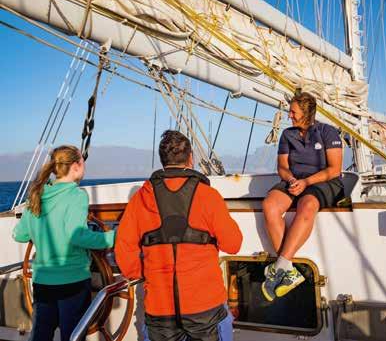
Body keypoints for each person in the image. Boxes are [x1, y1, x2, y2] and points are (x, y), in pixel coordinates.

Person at [115, 130, 243, 341]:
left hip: (159, 308)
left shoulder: (140, 199)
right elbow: (233, 244)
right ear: (190, 158)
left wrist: (148, 274)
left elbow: (124, 254)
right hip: (205, 307)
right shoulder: (208, 196)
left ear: (163, 160)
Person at [13, 145, 115, 341]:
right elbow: (77, 236)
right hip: (72, 282)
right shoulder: (76, 196)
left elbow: (20, 235)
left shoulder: (37, 195)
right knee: (73, 336)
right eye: (83, 162)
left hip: (42, 281)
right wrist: (112, 238)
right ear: (76, 166)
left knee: (41, 335)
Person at [262, 92, 344, 301]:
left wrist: (306, 182)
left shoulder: (328, 132)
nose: (289, 115)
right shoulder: (287, 135)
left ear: (307, 114)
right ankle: (288, 271)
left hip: (323, 182)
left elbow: (334, 170)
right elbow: (282, 167)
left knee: (307, 206)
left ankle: (280, 265)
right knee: (270, 205)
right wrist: (291, 180)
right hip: (295, 181)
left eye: (293, 112)